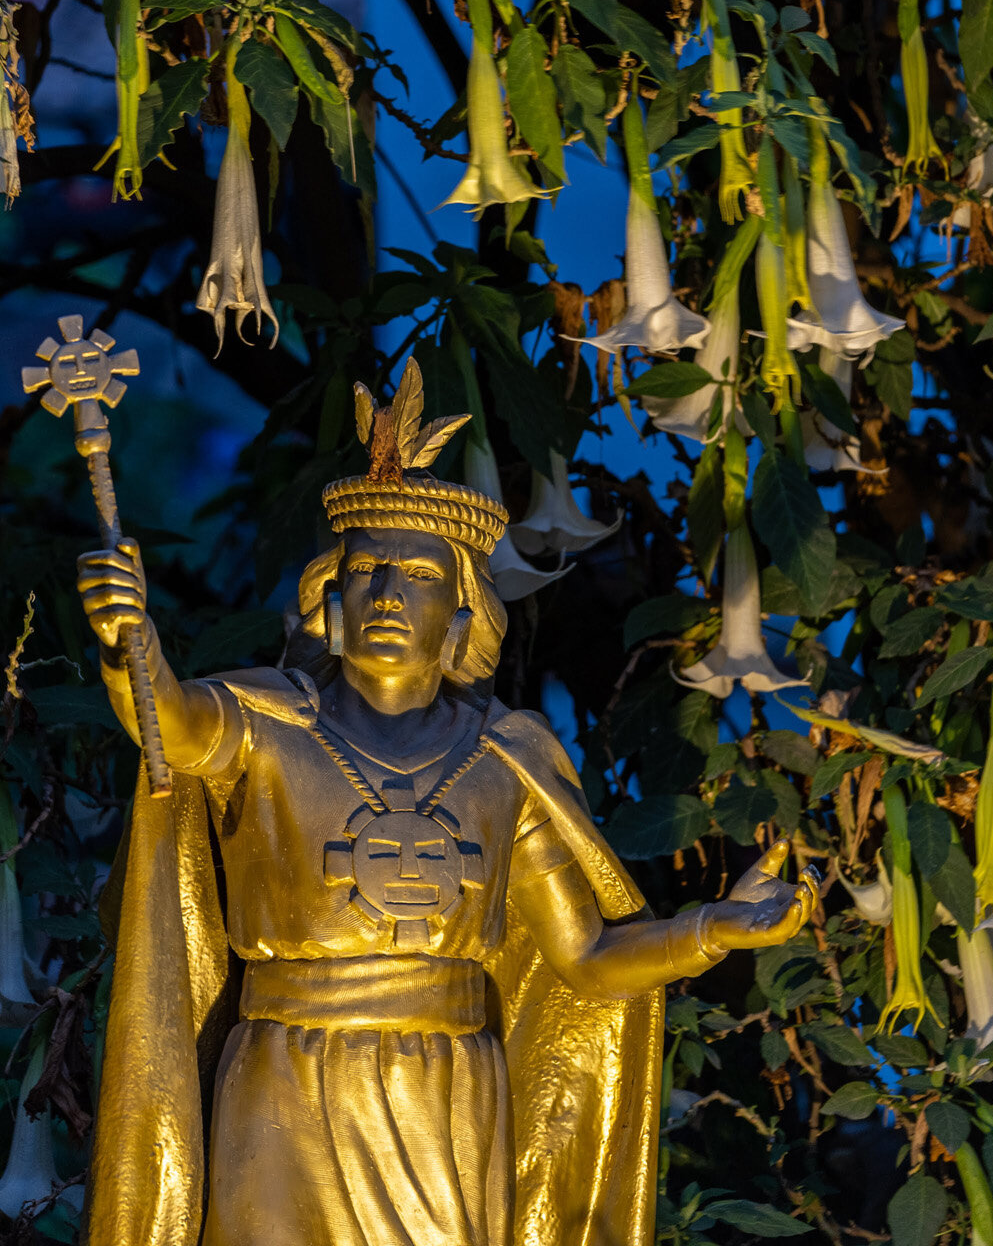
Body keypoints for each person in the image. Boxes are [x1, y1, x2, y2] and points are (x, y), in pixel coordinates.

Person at [76, 361, 818, 1246]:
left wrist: (711, 931)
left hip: (451, 1094)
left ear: (463, 615)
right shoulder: (266, 722)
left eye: (419, 576)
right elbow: (170, 722)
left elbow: (583, 958)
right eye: (368, 571)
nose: (388, 593)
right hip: (282, 1083)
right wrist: (133, 639)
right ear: (333, 599)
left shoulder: (507, 760)